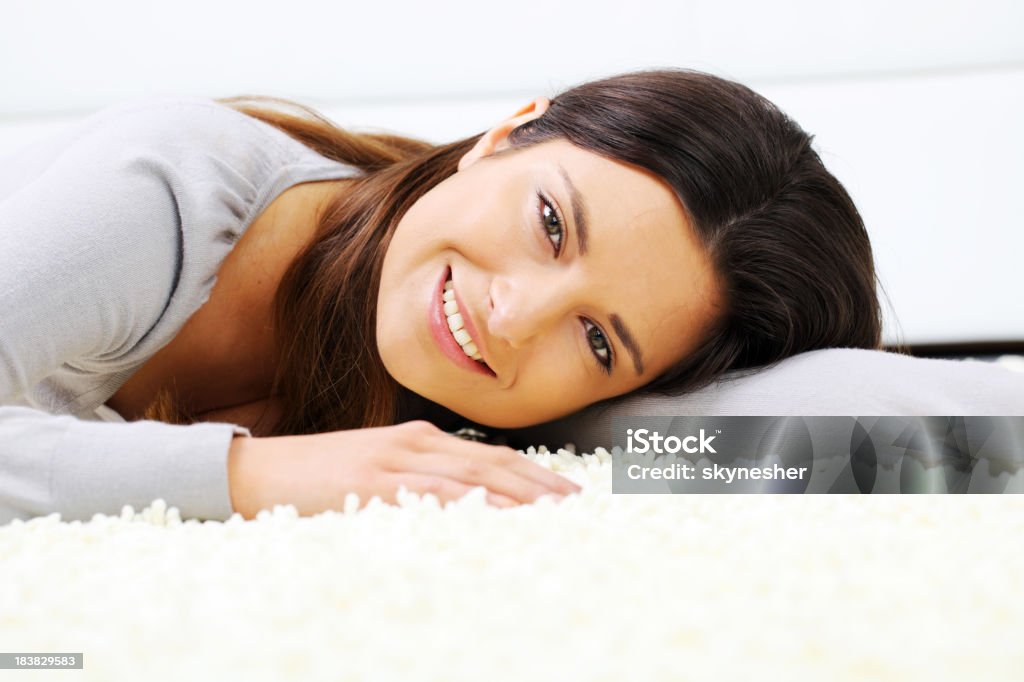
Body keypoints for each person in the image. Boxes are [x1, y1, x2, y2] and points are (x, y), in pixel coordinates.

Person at [0, 69, 881, 524]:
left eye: (599, 340)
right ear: (502, 136)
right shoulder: (166, 192)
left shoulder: (498, 406)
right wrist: (247, 474)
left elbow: (877, 426)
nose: (516, 317)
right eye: (550, 224)